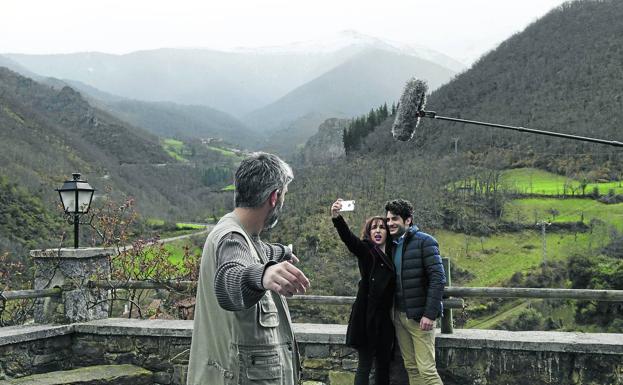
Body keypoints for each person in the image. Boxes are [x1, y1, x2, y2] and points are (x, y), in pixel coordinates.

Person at [187, 152, 311, 385]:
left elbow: (261, 252)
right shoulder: (232, 239)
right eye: (284, 194)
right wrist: (262, 274)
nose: (283, 200)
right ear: (274, 197)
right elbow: (231, 277)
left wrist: (283, 251)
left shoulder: (244, 236)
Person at [330, 199, 395, 385]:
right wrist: (336, 217)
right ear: (368, 232)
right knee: (364, 365)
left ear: (387, 232)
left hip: (385, 319)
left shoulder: (395, 253)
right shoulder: (366, 251)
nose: (377, 230)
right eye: (373, 227)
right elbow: (348, 239)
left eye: (382, 227)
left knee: (383, 365)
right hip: (366, 316)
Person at [385, 199, 445, 385]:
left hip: (420, 318)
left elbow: (438, 279)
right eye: (388, 220)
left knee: (427, 370)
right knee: (411, 367)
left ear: (408, 220)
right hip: (399, 316)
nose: (390, 223)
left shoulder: (425, 242)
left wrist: (429, 314)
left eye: (394, 219)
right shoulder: (391, 245)